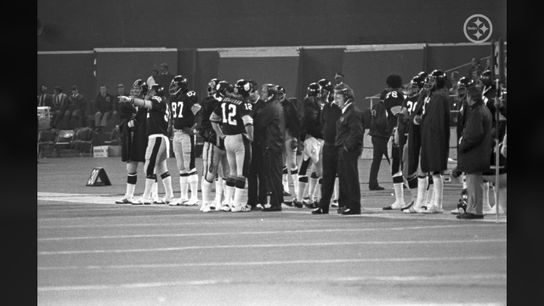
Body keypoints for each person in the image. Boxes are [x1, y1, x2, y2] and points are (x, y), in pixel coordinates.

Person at [118, 83, 175, 204]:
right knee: (162, 168)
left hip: (157, 137)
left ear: (155, 92)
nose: (149, 93)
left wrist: (130, 100)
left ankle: (146, 197)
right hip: (162, 137)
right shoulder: (162, 103)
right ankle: (169, 195)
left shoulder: (157, 99)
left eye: (151, 91)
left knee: (149, 167)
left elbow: (146, 103)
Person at [210, 80, 254, 212]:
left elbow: (213, 118)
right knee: (241, 173)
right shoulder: (244, 104)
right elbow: (248, 122)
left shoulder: (225, 100)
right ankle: (237, 204)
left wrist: (220, 134)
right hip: (239, 139)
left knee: (232, 172)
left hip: (227, 139)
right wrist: (251, 137)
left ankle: (227, 202)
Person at [456, 86, 493, 219]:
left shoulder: (477, 112)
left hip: (475, 153)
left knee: (474, 183)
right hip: (480, 152)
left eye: (467, 97)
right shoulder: (484, 110)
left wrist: (462, 145)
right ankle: (473, 208)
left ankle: (474, 210)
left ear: (471, 98)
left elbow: (474, 134)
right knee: (474, 183)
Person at [418, 69, 451, 214]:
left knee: (436, 170)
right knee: (433, 171)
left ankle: (437, 203)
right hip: (430, 136)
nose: (429, 83)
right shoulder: (433, 95)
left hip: (435, 137)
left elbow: (436, 121)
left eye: (433, 80)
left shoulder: (439, 96)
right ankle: (434, 202)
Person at [198, 79, 230, 212]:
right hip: (214, 141)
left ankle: (222, 201)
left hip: (226, 141)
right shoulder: (211, 103)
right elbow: (206, 122)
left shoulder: (226, 103)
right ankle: (205, 202)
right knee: (211, 172)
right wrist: (211, 135)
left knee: (227, 173)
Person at [168, 75, 201, 206]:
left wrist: (193, 128)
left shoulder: (189, 95)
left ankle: (194, 197)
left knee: (190, 165)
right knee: (181, 167)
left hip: (186, 134)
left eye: (175, 85)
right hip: (176, 134)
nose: (172, 87)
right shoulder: (173, 97)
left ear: (181, 85)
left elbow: (198, 112)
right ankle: (183, 196)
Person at [115, 79, 149, 204]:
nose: (135, 90)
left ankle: (151, 195)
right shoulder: (127, 103)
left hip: (143, 136)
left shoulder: (147, 103)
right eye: (134, 88)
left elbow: (144, 120)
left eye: (138, 88)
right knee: (130, 166)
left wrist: (135, 122)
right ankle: (129, 195)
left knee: (148, 167)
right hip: (131, 137)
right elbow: (124, 118)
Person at [311, 84, 342, 214]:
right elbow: (323, 123)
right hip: (328, 144)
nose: (334, 96)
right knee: (327, 176)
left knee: (342, 176)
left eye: (337, 95)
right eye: (333, 94)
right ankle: (323, 205)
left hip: (340, 146)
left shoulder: (344, 109)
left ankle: (341, 202)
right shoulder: (328, 108)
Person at [334, 87, 364, 215]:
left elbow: (356, 132)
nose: (335, 100)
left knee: (350, 177)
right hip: (343, 148)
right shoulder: (345, 111)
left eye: (338, 97)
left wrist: (347, 147)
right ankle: (345, 204)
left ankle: (354, 206)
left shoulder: (353, 112)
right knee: (344, 178)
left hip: (349, 150)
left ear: (347, 98)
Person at [293, 82, 324, 208]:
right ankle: (316, 199)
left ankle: (303, 199)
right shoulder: (319, 104)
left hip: (311, 139)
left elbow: (305, 120)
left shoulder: (308, 103)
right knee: (319, 170)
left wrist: (301, 137)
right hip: (317, 139)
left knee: (306, 168)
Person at [381, 75, 408, 210]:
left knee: (397, 167)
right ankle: (402, 200)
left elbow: (397, 112)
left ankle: (402, 200)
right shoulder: (402, 94)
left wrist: (397, 129)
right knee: (400, 167)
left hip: (396, 132)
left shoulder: (392, 94)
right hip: (403, 132)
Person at [257, 84, 285, 211]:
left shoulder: (271, 107)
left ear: (271, 94)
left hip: (272, 144)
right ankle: (277, 200)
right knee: (276, 174)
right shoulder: (277, 105)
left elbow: (259, 123)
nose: (261, 93)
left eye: (263, 92)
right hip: (277, 144)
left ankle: (275, 203)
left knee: (273, 175)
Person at [246, 80, 269, 210]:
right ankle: (251, 201)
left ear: (257, 91)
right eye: (248, 92)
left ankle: (263, 200)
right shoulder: (247, 105)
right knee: (251, 174)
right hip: (250, 144)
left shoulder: (264, 105)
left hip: (262, 144)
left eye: (252, 91)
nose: (250, 94)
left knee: (263, 174)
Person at [277, 86, 301, 202]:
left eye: (281, 93)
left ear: (284, 94)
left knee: (292, 163)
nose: (279, 96)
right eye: (278, 93)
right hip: (278, 137)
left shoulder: (289, 106)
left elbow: (296, 122)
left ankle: (297, 190)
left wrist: (296, 138)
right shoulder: (275, 105)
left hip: (289, 136)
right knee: (281, 164)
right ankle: (284, 188)